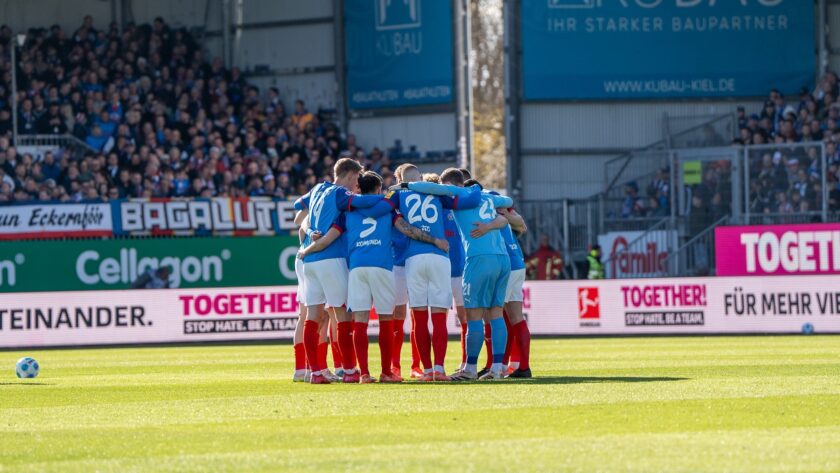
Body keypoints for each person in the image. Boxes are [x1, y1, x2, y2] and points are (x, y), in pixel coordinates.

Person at [401, 168, 514, 380]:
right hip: (502, 258)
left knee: (474, 316)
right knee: (496, 313)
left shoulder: (459, 193)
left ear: (451, 185)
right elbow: (508, 201)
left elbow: (433, 188)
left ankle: (470, 369)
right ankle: (498, 368)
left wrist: (407, 185)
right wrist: (493, 219)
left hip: (479, 259)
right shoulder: (486, 197)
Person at [297, 158, 384, 385]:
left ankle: (315, 372)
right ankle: (349, 370)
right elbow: (363, 202)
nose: (356, 185)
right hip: (331, 258)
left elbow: (300, 211)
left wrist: (310, 232)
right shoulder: (340, 193)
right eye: (356, 180)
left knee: (312, 316)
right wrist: (389, 197)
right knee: (342, 314)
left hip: (310, 260)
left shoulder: (318, 189)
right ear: (350, 175)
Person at [386, 164, 452, 381]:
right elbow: (460, 199)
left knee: (419, 319)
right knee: (439, 318)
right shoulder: (436, 192)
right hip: (439, 257)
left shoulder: (398, 194)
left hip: (413, 258)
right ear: (421, 177)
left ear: (401, 180)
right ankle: (439, 369)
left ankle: (427, 370)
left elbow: (382, 203)